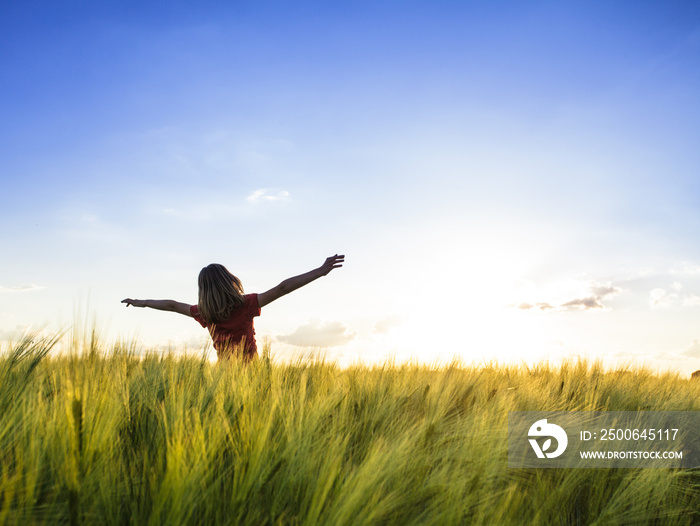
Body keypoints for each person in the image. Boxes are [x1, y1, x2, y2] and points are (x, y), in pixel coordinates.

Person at [122, 254, 344, 361]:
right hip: (252, 374)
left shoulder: (203, 313)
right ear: (230, 281)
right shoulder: (246, 305)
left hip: (224, 376)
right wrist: (319, 271)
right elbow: (283, 288)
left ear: (204, 289)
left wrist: (141, 303)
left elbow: (171, 305)